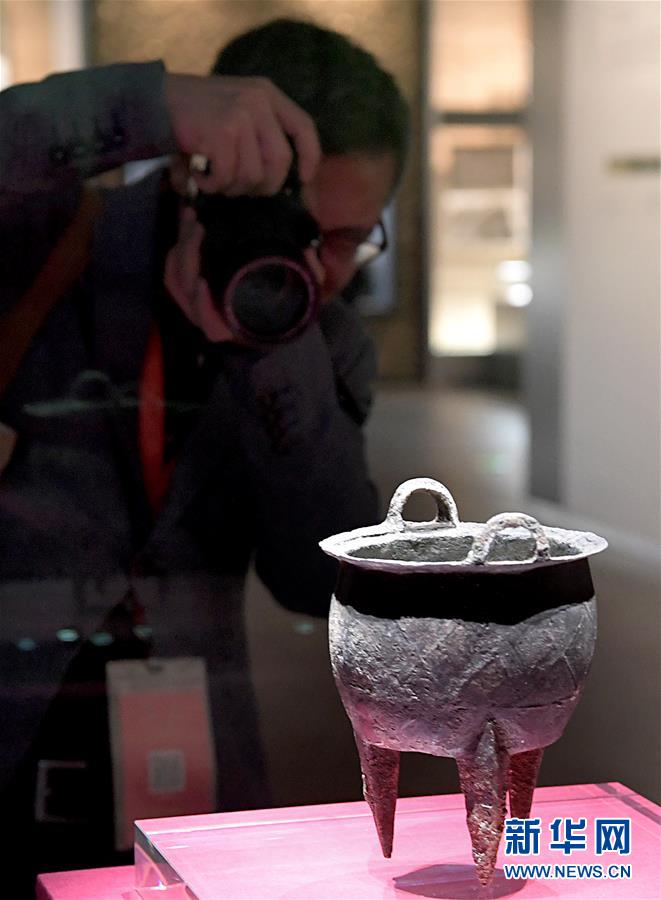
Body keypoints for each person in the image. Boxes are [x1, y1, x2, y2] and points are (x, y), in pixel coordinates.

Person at [0, 17, 408, 892]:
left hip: (191, 766)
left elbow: (318, 578)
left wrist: (271, 348)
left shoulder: (326, 344)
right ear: (197, 172)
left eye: (349, 240)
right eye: (296, 229)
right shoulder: (60, 242)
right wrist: (147, 104)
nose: (318, 270)